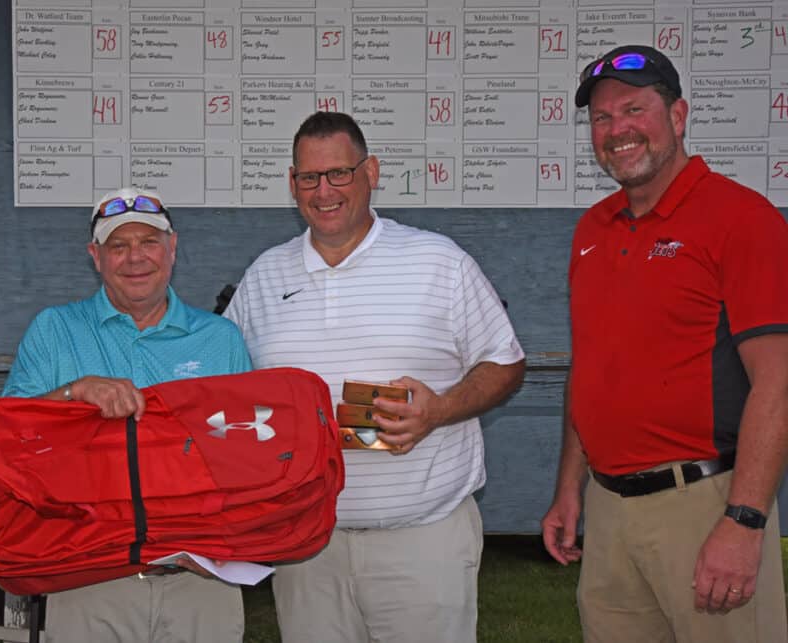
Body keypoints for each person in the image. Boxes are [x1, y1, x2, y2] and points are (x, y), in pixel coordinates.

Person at [223, 111, 526, 642]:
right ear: (292, 184)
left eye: (339, 173)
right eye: (310, 178)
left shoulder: (438, 261)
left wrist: (440, 410)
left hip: (421, 541)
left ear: (371, 172)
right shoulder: (263, 275)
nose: (325, 191)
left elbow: (505, 363)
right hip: (309, 546)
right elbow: (230, 388)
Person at [541, 44, 788, 643]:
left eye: (634, 110)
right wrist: (568, 489)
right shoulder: (591, 230)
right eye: (602, 118)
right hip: (609, 510)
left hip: (702, 504)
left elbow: (778, 382)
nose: (617, 130)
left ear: (677, 116)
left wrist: (744, 520)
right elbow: (591, 371)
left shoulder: (741, 218)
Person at [2, 187, 252, 643]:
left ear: (172, 248)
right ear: (95, 256)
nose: (136, 257)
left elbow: (246, 458)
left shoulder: (221, 338)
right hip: (89, 582)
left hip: (200, 584)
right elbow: (9, 438)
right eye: (118, 245)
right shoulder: (55, 330)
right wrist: (75, 392)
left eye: (149, 242)